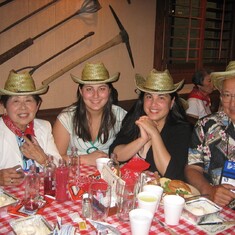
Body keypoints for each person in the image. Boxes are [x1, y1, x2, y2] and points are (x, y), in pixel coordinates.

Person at [109, 69, 192, 180]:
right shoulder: (135, 119)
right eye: (149, 96)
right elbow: (115, 155)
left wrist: (154, 133)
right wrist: (142, 140)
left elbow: (171, 173)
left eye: (161, 97)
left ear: (172, 102)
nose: (153, 104)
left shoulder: (182, 129)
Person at [52, 62, 127, 166]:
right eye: (89, 89)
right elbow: (55, 159)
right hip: (74, 178)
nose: (95, 95)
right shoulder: (66, 118)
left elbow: (128, 152)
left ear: (109, 91)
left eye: (102, 88)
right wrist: (85, 159)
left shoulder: (121, 116)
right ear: (81, 91)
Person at [185, 61, 235, 208]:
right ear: (220, 97)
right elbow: (192, 168)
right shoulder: (206, 126)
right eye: (227, 95)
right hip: (209, 206)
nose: (232, 104)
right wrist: (209, 190)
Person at [0, 70, 61, 186]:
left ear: (37, 106)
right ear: (4, 107)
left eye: (28, 100)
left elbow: (60, 168)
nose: (23, 107)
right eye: (16, 101)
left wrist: (44, 160)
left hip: (39, 196)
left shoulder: (44, 127)